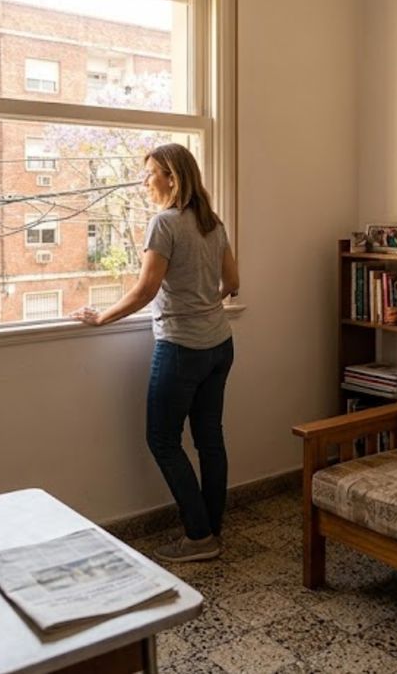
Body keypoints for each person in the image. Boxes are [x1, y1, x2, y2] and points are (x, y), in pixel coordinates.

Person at [73, 143, 239, 563]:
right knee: (210, 439)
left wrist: (101, 318)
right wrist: (205, 300)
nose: (145, 181)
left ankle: (199, 537)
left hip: (182, 347)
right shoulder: (212, 223)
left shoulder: (164, 224)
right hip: (219, 344)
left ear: (172, 177)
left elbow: (146, 290)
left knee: (162, 439)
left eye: (150, 173)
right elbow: (233, 281)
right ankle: (212, 530)